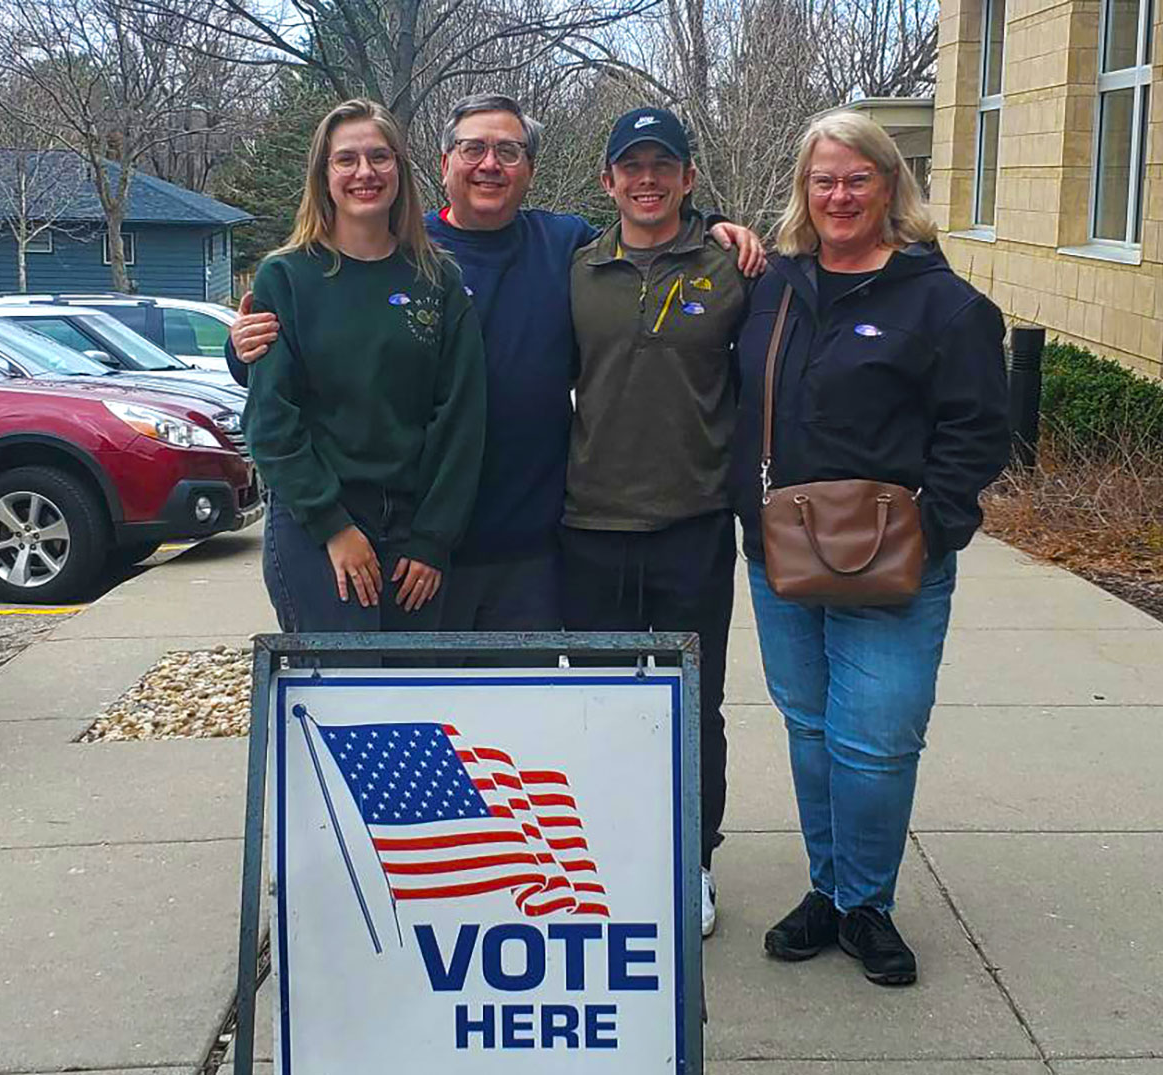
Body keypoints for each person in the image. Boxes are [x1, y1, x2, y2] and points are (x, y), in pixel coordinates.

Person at [229, 92, 765, 634]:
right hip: (421, 540)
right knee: (406, 703)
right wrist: (243, 346)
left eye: (509, 151)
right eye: (473, 149)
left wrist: (711, 226)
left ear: (530, 169)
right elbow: (303, 353)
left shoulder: (565, 245)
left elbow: (646, 226)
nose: (490, 164)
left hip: (530, 543)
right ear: (444, 165)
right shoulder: (407, 254)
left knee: (523, 710)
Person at [728, 111, 1009, 984]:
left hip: (894, 559)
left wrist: (938, 527)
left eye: (857, 178)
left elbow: (977, 429)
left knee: (875, 740)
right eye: (823, 180)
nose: (839, 195)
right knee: (812, 732)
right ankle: (827, 888)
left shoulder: (944, 302)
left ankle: (867, 905)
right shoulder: (772, 285)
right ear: (802, 192)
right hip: (782, 550)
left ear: (891, 185)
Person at [561, 108, 750, 938]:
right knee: (598, 704)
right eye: (630, 165)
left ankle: (690, 861)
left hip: (694, 526)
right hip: (588, 527)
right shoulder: (574, 272)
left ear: (687, 178)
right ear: (608, 181)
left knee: (691, 705)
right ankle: (607, 852)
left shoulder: (735, 269)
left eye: (662, 165)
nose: (647, 179)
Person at [242, 98, 485, 640]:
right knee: (339, 694)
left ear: (399, 167)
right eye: (346, 159)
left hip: (413, 527)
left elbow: (461, 417)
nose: (365, 173)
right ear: (323, 175)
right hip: (317, 522)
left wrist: (434, 538)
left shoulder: (437, 279)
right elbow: (271, 420)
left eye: (380, 157)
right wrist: (333, 526)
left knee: (416, 703)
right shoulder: (286, 277)